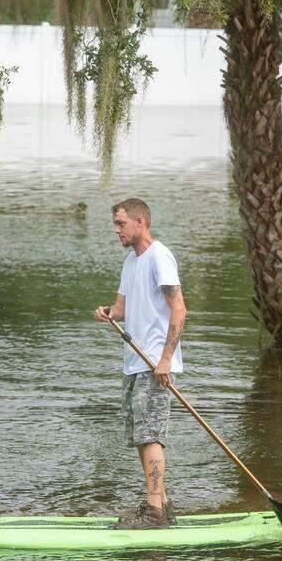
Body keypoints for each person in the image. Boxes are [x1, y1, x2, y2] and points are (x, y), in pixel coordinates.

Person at [94, 198, 187, 529]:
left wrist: (164, 360)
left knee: (150, 435)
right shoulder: (130, 262)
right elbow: (122, 308)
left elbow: (179, 309)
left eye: (121, 224)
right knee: (140, 435)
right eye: (115, 225)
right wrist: (108, 312)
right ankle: (160, 503)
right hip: (134, 363)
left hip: (154, 365)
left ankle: (155, 512)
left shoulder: (159, 257)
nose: (116, 230)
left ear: (140, 222)